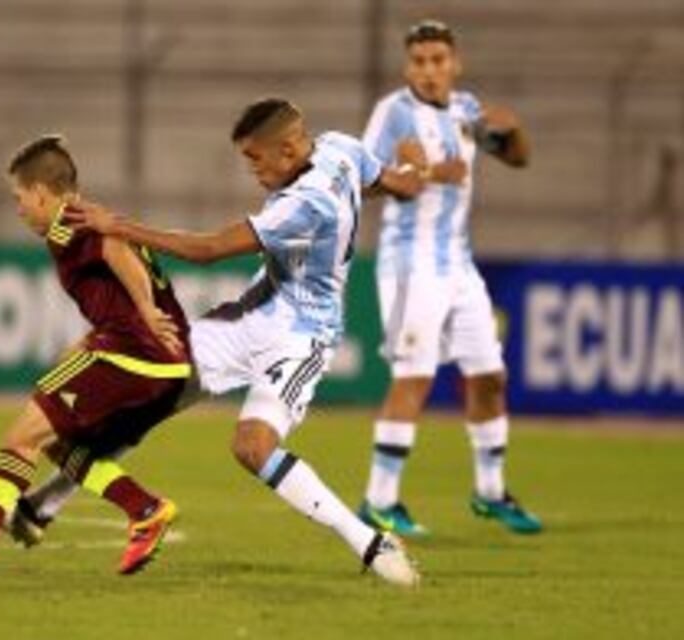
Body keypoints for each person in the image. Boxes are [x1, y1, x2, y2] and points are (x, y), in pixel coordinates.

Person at [63, 97, 425, 586]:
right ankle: (44, 504)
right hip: (250, 316)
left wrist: (119, 226)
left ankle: (369, 542)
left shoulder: (305, 203)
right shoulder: (340, 148)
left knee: (252, 447)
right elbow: (383, 180)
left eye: (256, 159)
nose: (251, 170)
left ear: (290, 148)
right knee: (153, 386)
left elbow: (207, 250)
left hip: (301, 336)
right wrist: (412, 176)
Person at [0, 135, 195, 575]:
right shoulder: (81, 217)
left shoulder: (70, 223)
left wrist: (147, 310)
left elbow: (115, 245)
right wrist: (90, 342)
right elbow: (113, 263)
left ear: (41, 193)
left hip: (135, 351)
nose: (18, 208)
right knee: (59, 443)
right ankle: (144, 508)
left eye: (19, 198)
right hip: (155, 357)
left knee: (20, 438)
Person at [357, 19, 542, 536]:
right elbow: (361, 179)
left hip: (459, 266)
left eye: (438, 60)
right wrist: (416, 173)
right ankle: (379, 500)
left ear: (454, 64)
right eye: (419, 61)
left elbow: (518, 158)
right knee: (414, 376)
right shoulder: (393, 113)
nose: (430, 70)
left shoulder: (466, 110)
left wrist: (515, 128)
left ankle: (490, 493)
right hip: (409, 267)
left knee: (489, 376)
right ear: (407, 66)